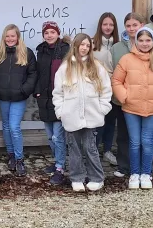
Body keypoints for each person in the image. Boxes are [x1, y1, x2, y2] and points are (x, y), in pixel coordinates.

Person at [112, 27, 153, 190]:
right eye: (141, 40)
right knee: (134, 142)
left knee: (147, 142)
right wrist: (124, 96)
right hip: (131, 107)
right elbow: (116, 81)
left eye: (148, 40)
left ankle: (146, 173)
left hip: (152, 108)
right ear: (136, 41)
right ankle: (134, 173)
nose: (144, 43)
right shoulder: (126, 59)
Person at [53, 33, 112, 192]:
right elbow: (58, 93)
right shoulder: (65, 67)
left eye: (87, 45)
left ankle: (97, 177)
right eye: (82, 45)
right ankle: (77, 177)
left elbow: (106, 89)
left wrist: (103, 109)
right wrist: (61, 111)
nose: (84, 48)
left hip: (92, 115)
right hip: (71, 116)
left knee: (90, 147)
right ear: (75, 46)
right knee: (74, 148)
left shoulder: (97, 66)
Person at [0, 24, 37, 177]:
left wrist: (24, 90)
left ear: (18, 37)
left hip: (19, 97)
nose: (10, 39)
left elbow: (33, 74)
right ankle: (10, 155)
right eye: (7, 36)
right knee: (5, 126)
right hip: (3, 96)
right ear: (4, 38)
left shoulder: (26, 53)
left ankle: (19, 159)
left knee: (14, 127)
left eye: (13, 36)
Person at [108, 12, 146, 178]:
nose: (131, 28)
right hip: (122, 99)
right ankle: (124, 166)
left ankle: (145, 167)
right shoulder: (116, 48)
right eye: (128, 25)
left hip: (144, 99)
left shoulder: (147, 44)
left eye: (134, 25)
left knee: (144, 135)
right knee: (123, 134)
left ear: (141, 26)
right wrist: (120, 93)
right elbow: (111, 71)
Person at [34, 21, 71, 185]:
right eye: (46, 32)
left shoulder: (65, 50)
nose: (49, 35)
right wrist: (37, 91)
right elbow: (37, 73)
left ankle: (60, 166)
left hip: (60, 98)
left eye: (52, 32)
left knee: (58, 136)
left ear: (58, 33)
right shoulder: (40, 50)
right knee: (50, 136)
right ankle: (57, 160)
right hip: (44, 98)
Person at [91, 12, 119, 166]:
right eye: (105, 24)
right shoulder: (92, 44)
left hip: (113, 89)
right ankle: (93, 151)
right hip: (97, 90)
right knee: (97, 122)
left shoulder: (118, 44)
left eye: (111, 25)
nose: (108, 27)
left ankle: (107, 150)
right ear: (100, 26)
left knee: (110, 121)